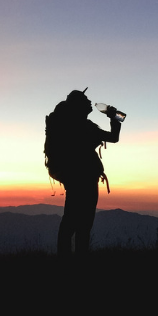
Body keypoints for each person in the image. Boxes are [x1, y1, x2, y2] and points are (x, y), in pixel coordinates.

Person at [45, 89, 121, 256]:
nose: (89, 102)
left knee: (71, 219)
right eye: (85, 100)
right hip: (84, 177)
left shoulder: (70, 124)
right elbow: (113, 138)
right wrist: (114, 118)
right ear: (78, 105)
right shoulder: (82, 125)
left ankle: (66, 256)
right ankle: (79, 258)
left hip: (75, 177)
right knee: (82, 221)